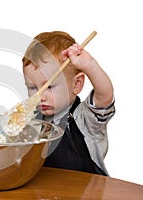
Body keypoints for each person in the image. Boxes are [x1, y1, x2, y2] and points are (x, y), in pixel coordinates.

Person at [22, 31, 115, 175]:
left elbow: (105, 96)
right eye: (32, 87)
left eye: (49, 87)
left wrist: (89, 65)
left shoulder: (85, 118)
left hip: (87, 193)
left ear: (76, 84)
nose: (40, 96)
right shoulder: (32, 120)